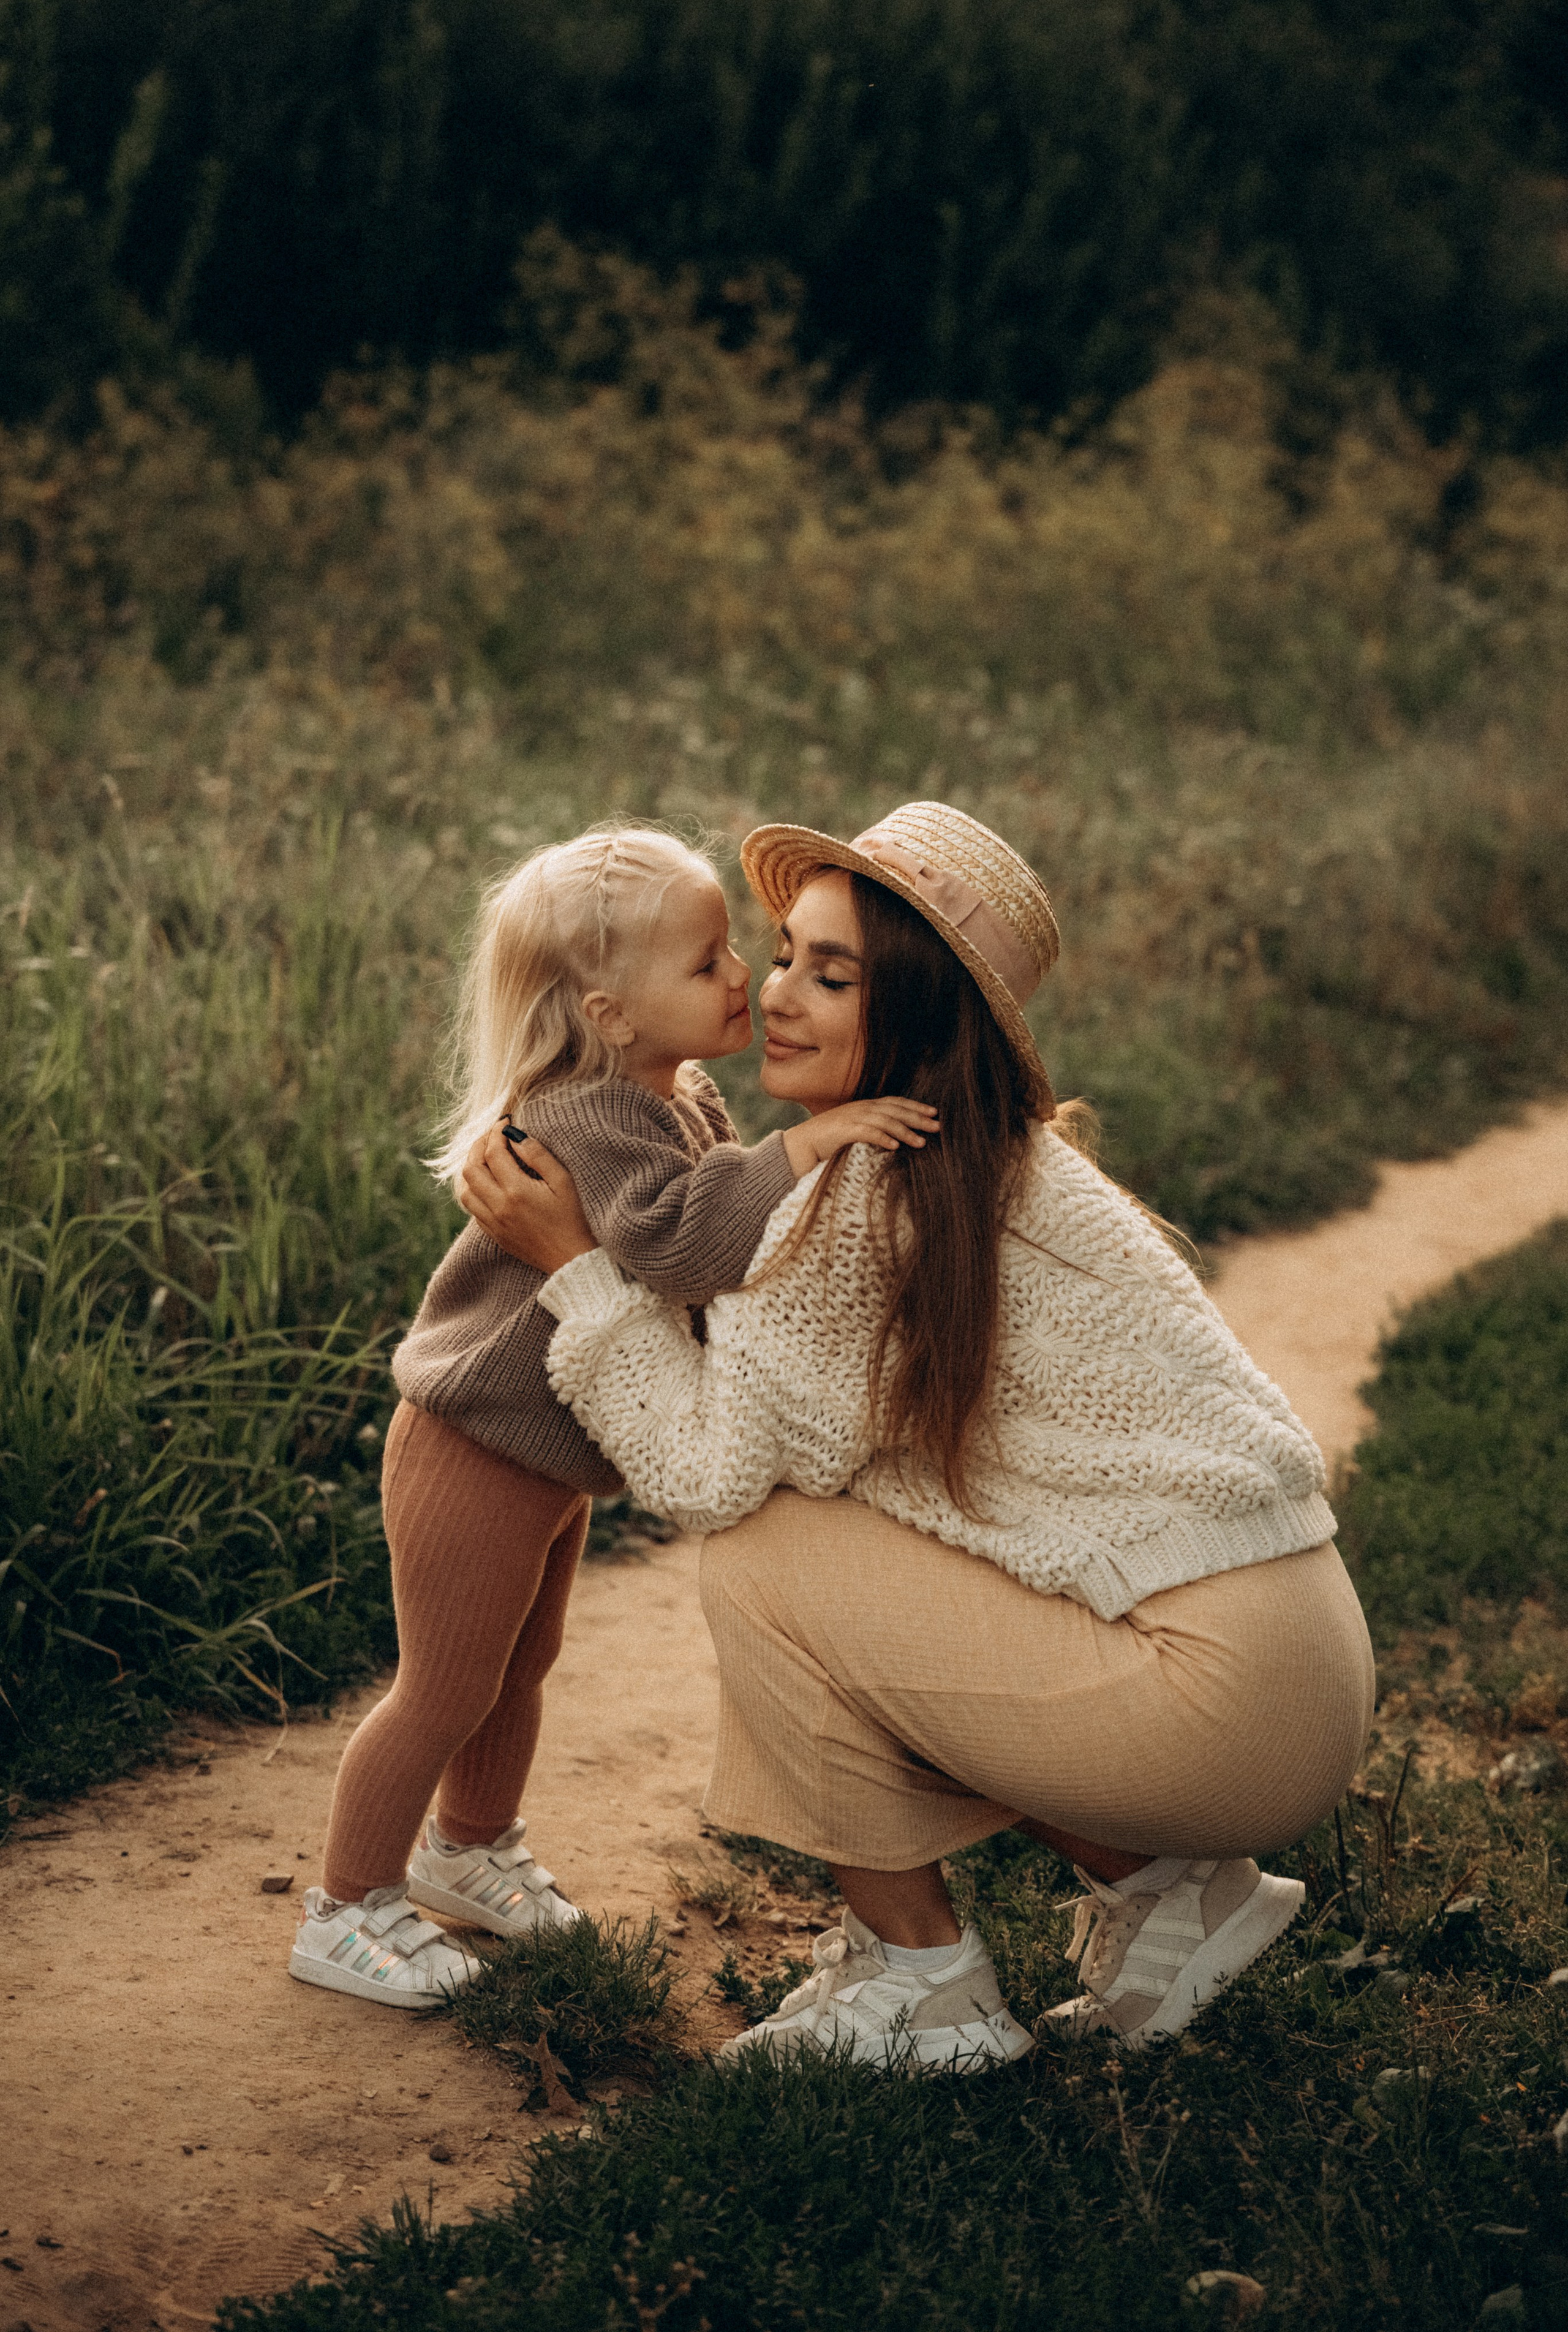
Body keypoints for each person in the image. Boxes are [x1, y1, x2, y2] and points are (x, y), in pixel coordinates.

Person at [457, 801, 1376, 2066]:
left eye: (832, 976)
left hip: (1211, 1692)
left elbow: (705, 1474)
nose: (777, 993)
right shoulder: (1001, 1159)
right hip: (1291, 1661)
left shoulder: (862, 1196)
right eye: (781, 953)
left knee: (763, 1549)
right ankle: (1171, 1893)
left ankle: (921, 1980)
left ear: (923, 1015)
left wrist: (574, 1269)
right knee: (859, 1536)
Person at [290, 821, 938, 2008]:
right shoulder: (589, 1113)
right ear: (613, 1011)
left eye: (734, 950)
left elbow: (706, 1216)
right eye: (708, 963)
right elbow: (679, 1243)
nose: (747, 976)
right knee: (442, 1684)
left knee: (518, 1664)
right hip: (476, 1445)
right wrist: (806, 1142)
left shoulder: (670, 1090)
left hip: (545, 1455)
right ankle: (344, 1905)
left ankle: (468, 1847)